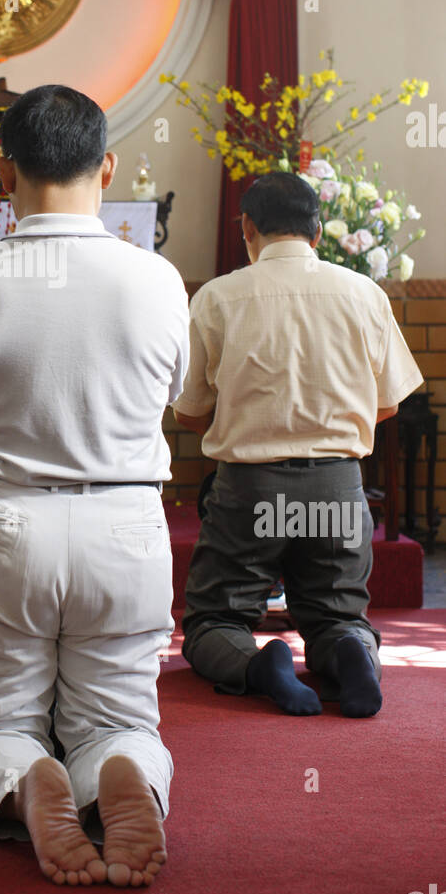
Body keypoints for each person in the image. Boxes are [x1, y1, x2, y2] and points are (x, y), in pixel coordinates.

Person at [0, 84, 189, 887]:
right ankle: (119, 771)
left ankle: (19, 773)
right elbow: (172, 394)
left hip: (4, 519)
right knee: (118, 708)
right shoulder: (157, 280)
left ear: (2, 167)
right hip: (127, 524)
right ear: (107, 166)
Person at [173, 170, 423, 718]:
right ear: (316, 232)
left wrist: (244, 425)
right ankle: (351, 655)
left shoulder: (217, 298)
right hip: (336, 486)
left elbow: (189, 411)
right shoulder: (364, 293)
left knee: (215, 620)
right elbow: (388, 405)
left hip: (250, 491)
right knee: (338, 617)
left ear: (247, 227)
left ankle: (260, 665)